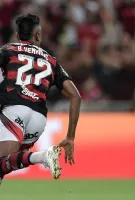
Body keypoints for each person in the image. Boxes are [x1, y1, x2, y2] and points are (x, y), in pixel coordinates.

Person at [0, 14, 81, 183]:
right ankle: (38, 156)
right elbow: (75, 96)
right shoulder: (51, 61)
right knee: (3, 165)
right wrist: (70, 137)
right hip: (38, 121)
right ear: (37, 35)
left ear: (17, 34)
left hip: (13, 112)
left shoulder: (8, 50)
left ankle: (41, 156)